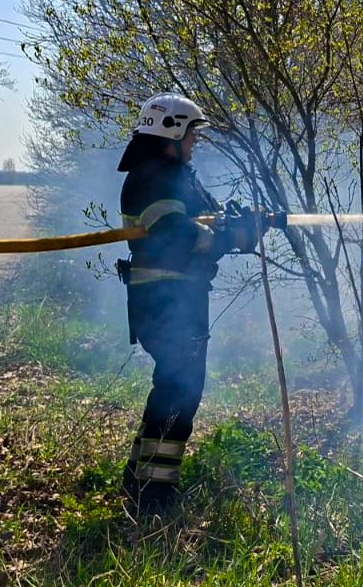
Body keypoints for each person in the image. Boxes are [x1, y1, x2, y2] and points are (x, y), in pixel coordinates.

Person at [116, 93, 270, 512]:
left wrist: (246, 224)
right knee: (180, 389)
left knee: (174, 386)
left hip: (177, 296)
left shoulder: (174, 174)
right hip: (166, 299)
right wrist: (229, 239)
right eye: (191, 135)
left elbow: (207, 222)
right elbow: (177, 235)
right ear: (172, 131)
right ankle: (153, 495)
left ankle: (141, 478)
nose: (194, 144)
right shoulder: (152, 177)